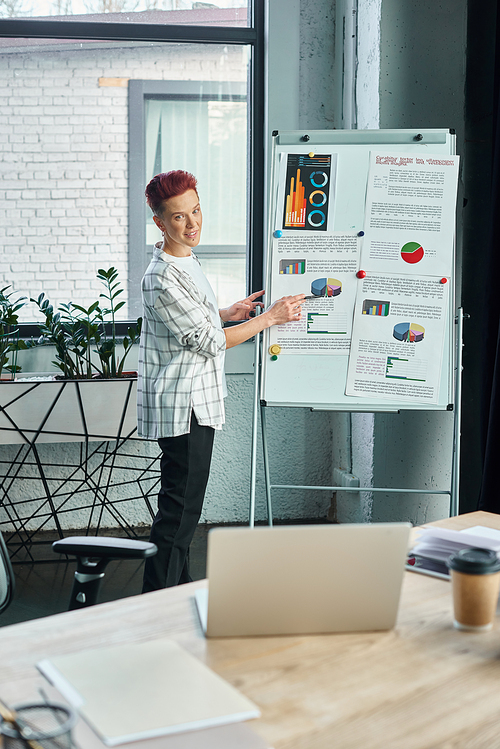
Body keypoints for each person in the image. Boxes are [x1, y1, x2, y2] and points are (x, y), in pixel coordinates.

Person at [138, 170, 305, 591]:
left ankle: (177, 593)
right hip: (184, 406)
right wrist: (271, 318)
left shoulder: (187, 261)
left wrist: (227, 313)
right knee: (178, 513)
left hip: (197, 401)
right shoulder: (160, 277)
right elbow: (208, 342)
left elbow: (197, 324)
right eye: (179, 218)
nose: (192, 224)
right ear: (159, 222)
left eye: (196, 211)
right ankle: (155, 604)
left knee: (183, 511)